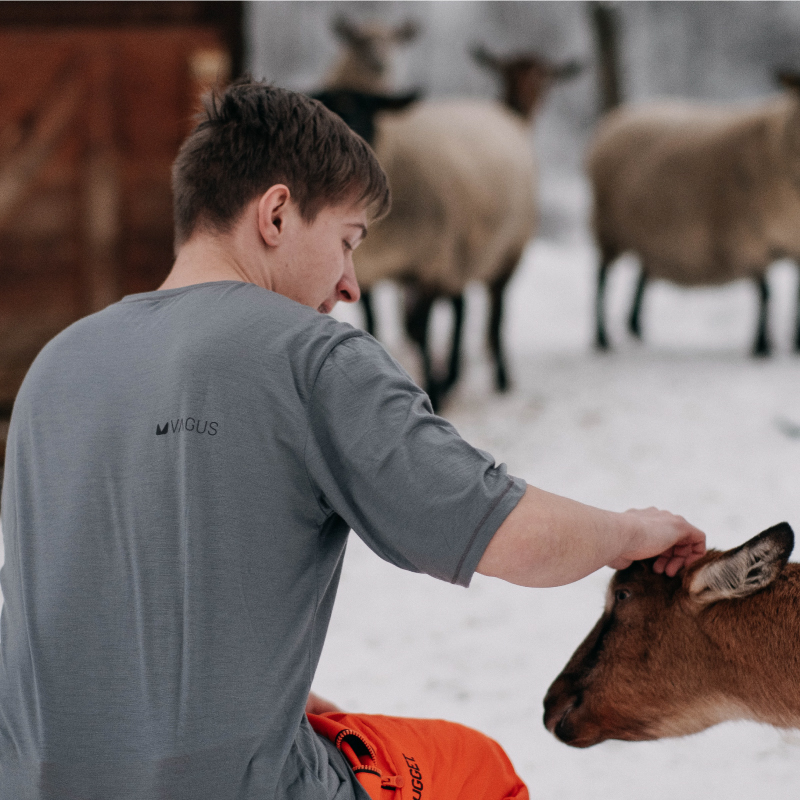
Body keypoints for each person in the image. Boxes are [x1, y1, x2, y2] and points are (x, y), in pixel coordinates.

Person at [0, 81, 705, 800]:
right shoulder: (313, 359)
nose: (350, 286)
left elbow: (76, 600)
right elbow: (509, 535)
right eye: (346, 241)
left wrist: (272, 702)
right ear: (276, 214)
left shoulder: (56, 366)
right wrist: (630, 533)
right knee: (478, 771)